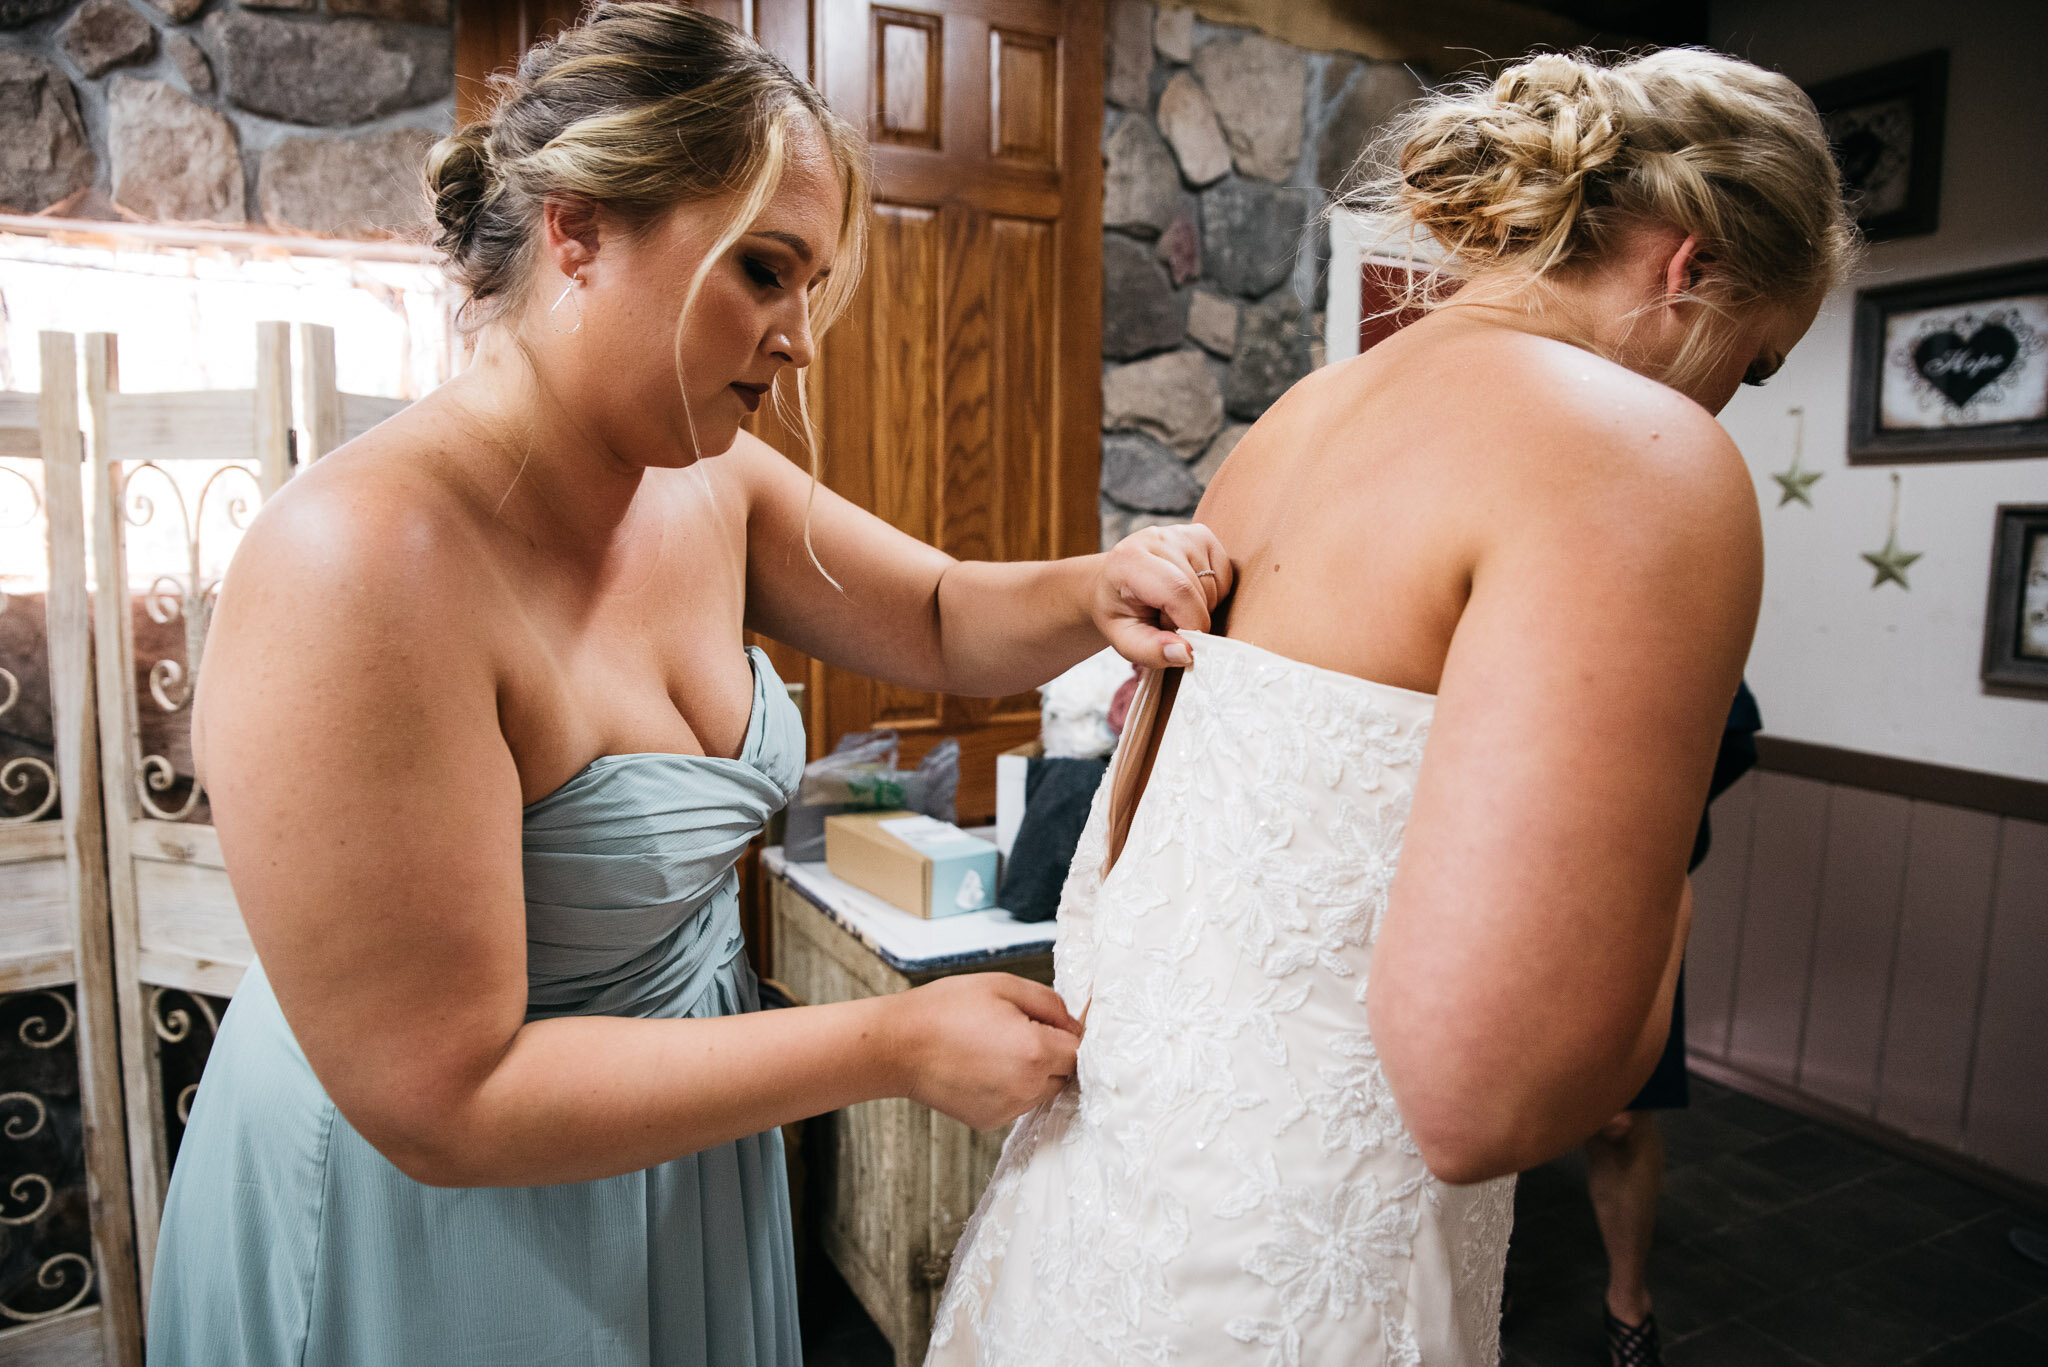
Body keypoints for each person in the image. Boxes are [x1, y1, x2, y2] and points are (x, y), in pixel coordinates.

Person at [145, 7, 1230, 1365]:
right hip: (434, 1218)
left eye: (809, 287)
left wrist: (1095, 587)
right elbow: (446, 1097)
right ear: (580, 228)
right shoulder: (358, 563)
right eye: (764, 271)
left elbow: (945, 616)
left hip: (671, 1155)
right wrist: (887, 1044)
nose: (798, 340)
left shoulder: (710, 482)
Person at [928, 47, 1852, 1366]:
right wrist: (1666, 886)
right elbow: (1491, 1098)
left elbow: (1129, 863)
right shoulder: (1643, 457)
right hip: (1300, 1274)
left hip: (1104, 1215)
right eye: (1752, 364)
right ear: (1686, 267)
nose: (1724, 406)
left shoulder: (1296, 421)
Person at [1579, 682, 1761, 1367]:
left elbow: (1729, 729)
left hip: (1621, 876)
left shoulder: (1641, 581)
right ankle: (1487, 1263)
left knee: (1623, 1114)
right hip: (1480, 877)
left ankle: (1629, 1301)